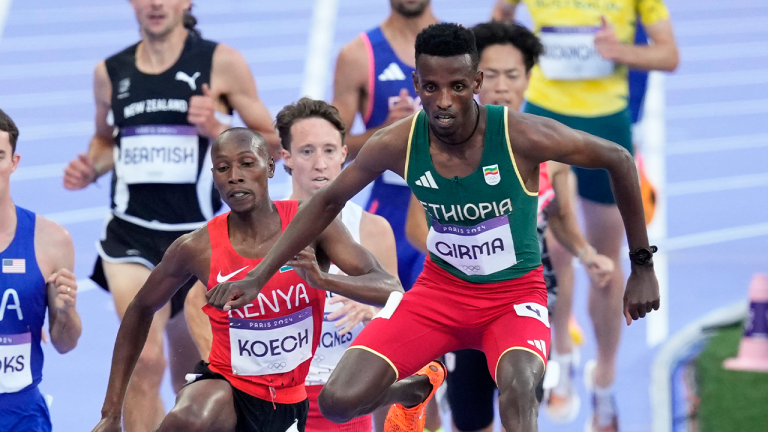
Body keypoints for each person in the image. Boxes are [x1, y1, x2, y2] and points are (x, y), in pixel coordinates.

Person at [208, 23, 661, 432]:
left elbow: (619, 159)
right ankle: (418, 387)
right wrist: (259, 273)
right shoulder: (400, 141)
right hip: (438, 295)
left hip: (512, 297)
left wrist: (641, 265)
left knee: (519, 390)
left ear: (477, 84)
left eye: (458, 87)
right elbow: (327, 201)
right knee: (338, 401)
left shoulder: (520, 135)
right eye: (432, 88)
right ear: (416, 85)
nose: (444, 102)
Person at [91, 128, 402, 432]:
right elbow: (140, 309)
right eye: (223, 168)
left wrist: (324, 280)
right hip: (228, 392)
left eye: (246, 163)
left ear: (269, 167)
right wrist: (111, 412)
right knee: (195, 411)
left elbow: (390, 289)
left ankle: (407, 391)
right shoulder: (197, 248)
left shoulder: (312, 224)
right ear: (214, 177)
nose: (234, 176)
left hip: (291, 401)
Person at [62, 2, 280, 430]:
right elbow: (106, 141)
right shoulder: (110, 72)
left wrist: (215, 124)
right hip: (131, 237)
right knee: (145, 360)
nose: (156, 4)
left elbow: (270, 140)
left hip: (201, 242)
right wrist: (91, 166)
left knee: (196, 371)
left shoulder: (221, 63)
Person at [402, 21, 614, 431]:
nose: (501, 86)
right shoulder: (445, 146)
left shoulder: (548, 146)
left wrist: (588, 255)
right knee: (471, 418)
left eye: (512, 75)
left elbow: (562, 222)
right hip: (463, 302)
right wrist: (464, 255)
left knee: (519, 414)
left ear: (528, 79)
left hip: (526, 305)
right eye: (493, 75)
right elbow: (415, 228)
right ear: (476, 79)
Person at [491, 1, 678, 429]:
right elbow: (498, 22)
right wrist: (514, 57)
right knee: (552, 249)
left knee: (605, 264)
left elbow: (668, 56)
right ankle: (563, 356)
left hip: (604, 124)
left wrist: (621, 51)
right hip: (541, 113)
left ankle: (605, 382)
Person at [184, 98, 399, 432]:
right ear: (285, 159)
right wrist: (226, 369)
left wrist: (371, 311)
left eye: (329, 151)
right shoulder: (257, 223)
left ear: (344, 154)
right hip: (269, 395)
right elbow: (196, 300)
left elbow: (397, 307)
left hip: (341, 392)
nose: (319, 164)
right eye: (307, 151)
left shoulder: (373, 230)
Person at [332, 0, 438, 293]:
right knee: (390, 317)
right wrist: (383, 132)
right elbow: (332, 147)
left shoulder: (463, 49)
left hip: (451, 208)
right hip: (390, 212)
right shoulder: (358, 56)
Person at [0, 109, 82, 432]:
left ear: (13, 162)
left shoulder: (51, 241)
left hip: (21, 415)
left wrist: (65, 312)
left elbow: (64, 343)